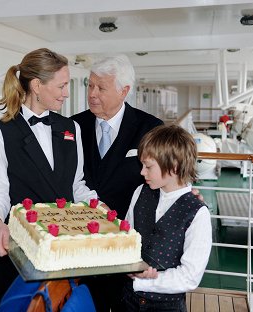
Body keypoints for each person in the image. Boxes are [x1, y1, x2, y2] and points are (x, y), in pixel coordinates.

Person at [0, 48, 99, 310]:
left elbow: (76, 185)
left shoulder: (71, 128)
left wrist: (98, 207)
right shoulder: (0, 133)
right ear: (36, 85)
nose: (66, 93)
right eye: (62, 85)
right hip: (22, 245)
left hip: (65, 241)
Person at [71, 54, 163, 311]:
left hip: (129, 240)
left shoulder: (150, 128)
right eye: (90, 85)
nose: (92, 93)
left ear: (124, 91)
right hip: (82, 239)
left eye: (101, 87)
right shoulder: (74, 126)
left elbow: (166, 176)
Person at [120, 124, 212, 312]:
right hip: (127, 301)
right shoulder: (140, 192)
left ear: (174, 167)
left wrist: (146, 280)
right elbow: (126, 236)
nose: (142, 172)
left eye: (148, 167)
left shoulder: (197, 213)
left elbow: (190, 276)